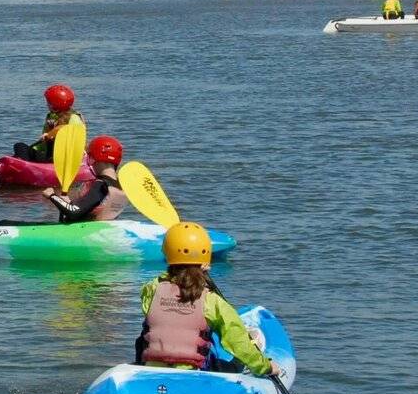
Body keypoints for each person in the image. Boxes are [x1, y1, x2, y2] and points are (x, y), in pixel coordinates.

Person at [135, 223, 280, 379]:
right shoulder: (212, 301)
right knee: (234, 363)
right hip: (195, 375)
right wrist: (266, 367)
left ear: (167, 253)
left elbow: (164, 303)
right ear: (206, 257)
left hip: (151, 369)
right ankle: (254, 356)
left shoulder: (151, 289)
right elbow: (237, 343)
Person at [42, 136, 126, 223]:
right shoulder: (119, 185)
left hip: (85, 230)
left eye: (91, 158)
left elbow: (74, 212)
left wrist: (52, 196)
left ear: (96, 158)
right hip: (103, 227)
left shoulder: (100, 185)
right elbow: (92, 208)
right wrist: (68, 203)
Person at [13, 84, 81, 163]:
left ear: (55, 104)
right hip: (48, 152)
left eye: (49, 102)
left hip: (56, 155)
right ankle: (20, 162)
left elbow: (65, 128)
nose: (47, 105)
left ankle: (23, 166)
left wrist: (49, 135)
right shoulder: (52, 116)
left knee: (20, 147)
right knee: (20, 146)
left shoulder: (74, 118)